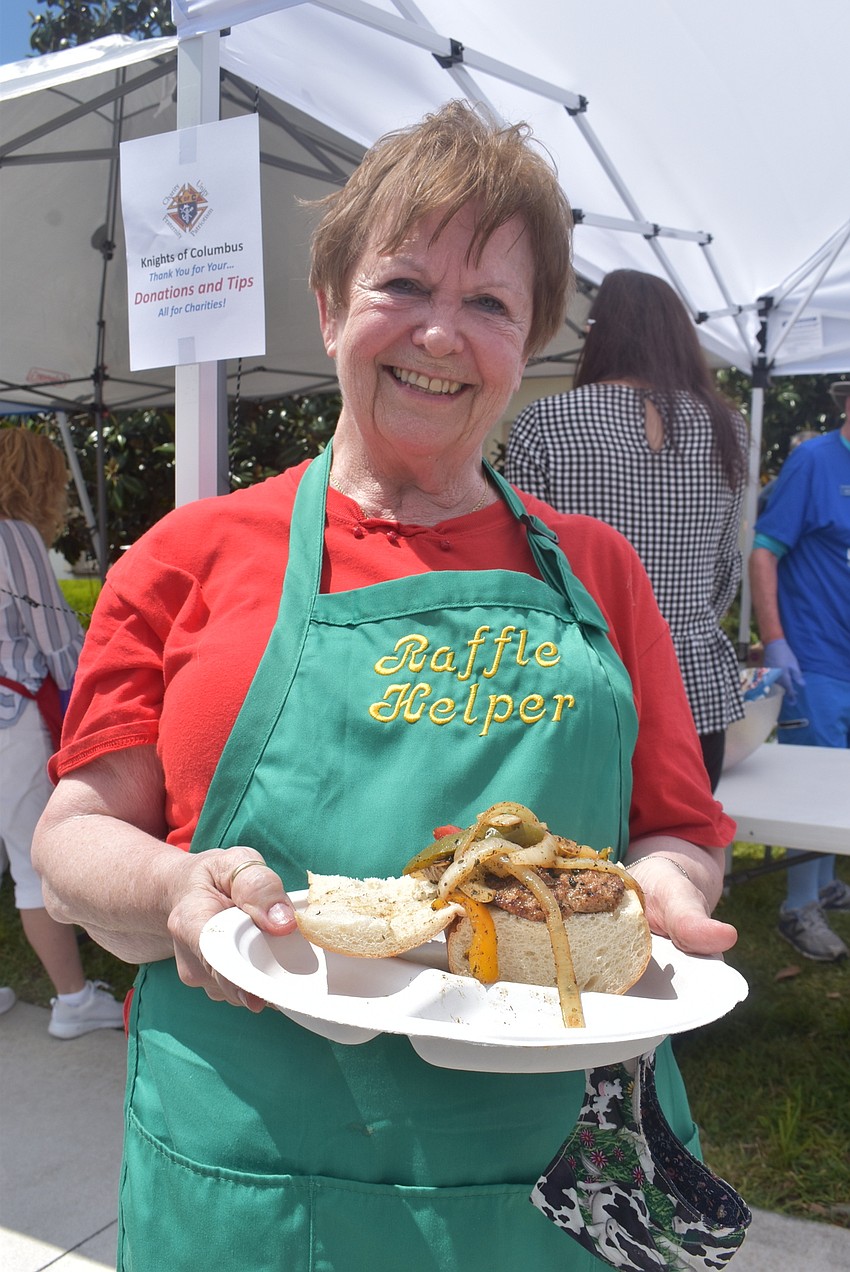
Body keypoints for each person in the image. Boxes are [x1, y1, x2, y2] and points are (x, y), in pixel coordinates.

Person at [33, 104, 738, 1271]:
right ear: (328, 306)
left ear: (530, 342)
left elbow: (677, 824)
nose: (441, 334)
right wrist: (175, 888)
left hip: (562, 1168)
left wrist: (661, 894)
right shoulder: (190, 553)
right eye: (402, 283)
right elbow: (71, 838)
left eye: (489, 303)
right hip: (259, 1168)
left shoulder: (599, 569)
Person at [505, 269, 748, 792]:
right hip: (694, 689)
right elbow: (727, 569)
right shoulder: (730, 428)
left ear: (601, 332)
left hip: (578, 692)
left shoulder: (546, 421)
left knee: (574, 871)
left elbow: (520, 573)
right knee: (681, 861)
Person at [0, 427, 124, 1037]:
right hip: (12, 721)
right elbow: (58, 642)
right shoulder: (13, 535)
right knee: (33, 861)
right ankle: (73, 1002)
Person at [749, 379, 850, 962]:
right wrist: (776, 640)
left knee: (839, 781)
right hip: (814, 657)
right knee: (815, 788)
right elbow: (765, 549)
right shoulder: (814, 460)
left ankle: (824, 883)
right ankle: (798, 906)